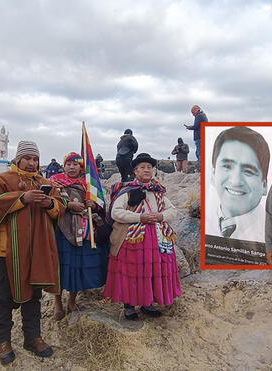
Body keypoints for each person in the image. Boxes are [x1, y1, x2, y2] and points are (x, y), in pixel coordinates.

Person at [0, 141, 64, 364]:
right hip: (6, 252)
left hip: (36, 252)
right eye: (27, 158)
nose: (32, 163)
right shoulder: (1, 180)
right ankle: (3, 341)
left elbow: (60, 207)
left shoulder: (45, 182)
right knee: (3, 298)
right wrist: (22, 198)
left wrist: (49, 203)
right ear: (18, 160)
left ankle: (33, 337)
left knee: (33, 296)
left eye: (35, 159)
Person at [104, 153, 182, 320]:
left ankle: (147, 302)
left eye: (149, 167)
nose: (147, 170)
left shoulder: (158, 192)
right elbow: (116, 212)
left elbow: (173, 210)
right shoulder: (127, 191)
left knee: (151, 271)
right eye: (142, 167)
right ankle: (129, 306)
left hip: (155, 239)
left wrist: (161, 217)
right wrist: (140, 218)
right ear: (135, 171)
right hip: (132, 239)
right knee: (132, 271)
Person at [49, 152, 109, 320]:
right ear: (64, 166)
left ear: (81, 167)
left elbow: (101, 204)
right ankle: (57, 304)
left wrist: (94, 204)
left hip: (82, 230)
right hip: (61, 229)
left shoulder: (88, 185)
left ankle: (72, 300)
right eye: (69, 164)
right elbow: (49, 201)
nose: (72, 167)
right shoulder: (54, 182)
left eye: (76, 164)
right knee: (60, 266)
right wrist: (68, 205)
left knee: (76, 265)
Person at [207, 127, 270, 241]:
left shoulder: (271, 233)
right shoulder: (205, 221)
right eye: (227, 166)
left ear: (264, 185)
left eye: (248, 171)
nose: (235, 181)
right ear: (213, 174)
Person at [184, 105, 207, 171]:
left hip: (199, 137)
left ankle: (201, 169)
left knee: (199, 153)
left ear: (196, 110)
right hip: (202, 137)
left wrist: (189, 127)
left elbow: (196, 126)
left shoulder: (199, 116)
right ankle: (201, 168)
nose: (193, 114)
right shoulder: (203, 115)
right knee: (199, 153)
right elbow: (197, 125)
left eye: (193, 112)